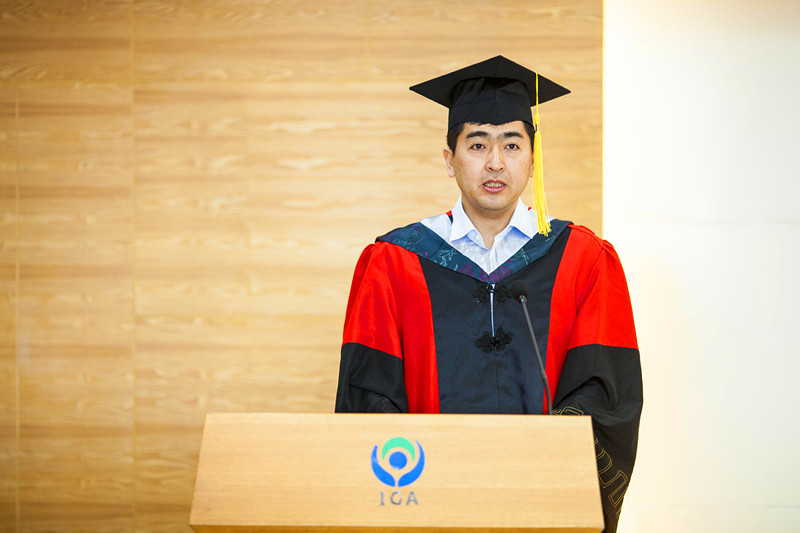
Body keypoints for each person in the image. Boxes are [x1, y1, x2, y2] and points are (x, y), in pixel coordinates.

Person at [335, 55, 642, 533]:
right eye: (477, 144)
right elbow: (368, 399)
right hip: (428, 507)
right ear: (449, 160)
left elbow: (605, 396)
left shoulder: (583, 260)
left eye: (512, 145)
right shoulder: (394, 262)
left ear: (533, 160)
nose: (495, 162)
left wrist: (535, 473)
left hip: (540, 508)